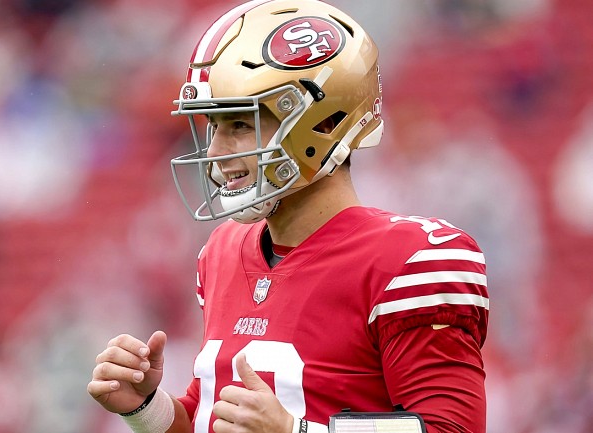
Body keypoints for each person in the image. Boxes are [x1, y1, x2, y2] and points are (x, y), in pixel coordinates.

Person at [87, 1, 489, 432]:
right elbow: (215, 417)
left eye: (241, 125)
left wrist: (296, 432)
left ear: (321, 122)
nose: (218, 153)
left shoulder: (411, 261)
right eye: (214, 126)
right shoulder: (223, 250)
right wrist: (146, 408)